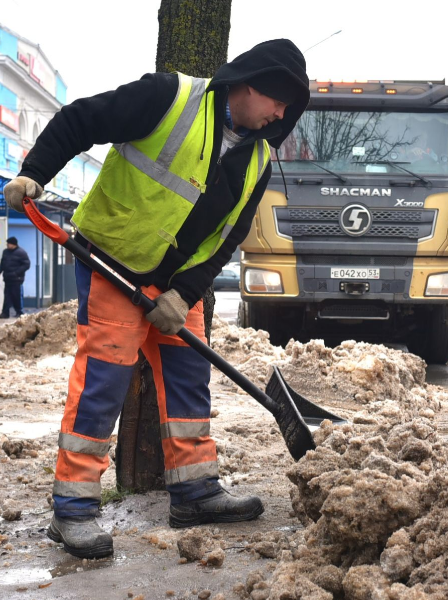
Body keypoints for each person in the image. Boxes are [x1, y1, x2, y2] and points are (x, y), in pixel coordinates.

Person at [2, 39, 309, 560]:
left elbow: (228, 240)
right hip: (114, 263)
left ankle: (195, 491)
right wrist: (36, 171)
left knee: (190, 380)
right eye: (278, 102)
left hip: (174, 287)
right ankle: (72, 510)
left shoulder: (258, 160)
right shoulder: (171, 99)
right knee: (104, 381)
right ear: (250, 83)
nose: (281, 115)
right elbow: (81, 119)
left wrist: (184, 293)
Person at [0, 236, 30, 318]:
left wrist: (16, 273)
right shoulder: (5, 252)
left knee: (16, 296)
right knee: (7, 297)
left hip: (17, 279)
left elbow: (26, 265)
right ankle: (5, 313)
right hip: (7, 278)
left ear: (13, 244)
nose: (7, 245)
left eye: (8, 244)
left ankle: (19, 312)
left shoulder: (21, 252)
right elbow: (2, 264)